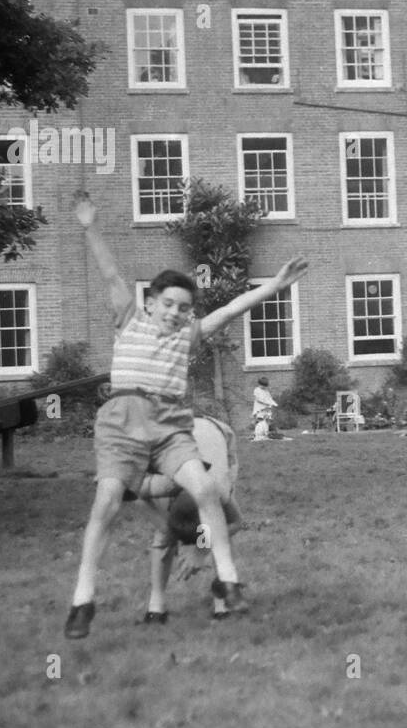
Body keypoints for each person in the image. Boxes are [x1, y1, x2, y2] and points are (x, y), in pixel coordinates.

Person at [65, 189, 308, 639]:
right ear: (152, 302)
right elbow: (110, 272)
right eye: (169, 305)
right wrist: (89, 225)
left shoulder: (188, 336)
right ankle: (83, 599)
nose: (176, 313)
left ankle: (228, 579)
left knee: (206, 489)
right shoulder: (129, 319)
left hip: (170, 424)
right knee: (106, 503)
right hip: (123, 421)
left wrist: (272, 287)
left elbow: (233, 308)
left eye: (184, 308)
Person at [135, 415, 243, 623]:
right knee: (162, 536)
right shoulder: (157, 484)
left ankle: (222, 601)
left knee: (220, 538)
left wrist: (200, 551)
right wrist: (166, 530)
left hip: (217, 433)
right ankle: (156, 607)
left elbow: (236, 522)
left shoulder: (218, 488)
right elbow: (136, 495)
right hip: (172, 442)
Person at [251, 377, 277, 441]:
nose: (264, 387)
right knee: (259, 421)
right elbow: (259, 399)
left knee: (267, 421)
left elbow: (269, 398)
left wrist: (273, 403)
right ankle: (257, 435)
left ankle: (265, 434)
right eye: (262, 385)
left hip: (266, 408)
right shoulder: (256, 390)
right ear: (259, 384)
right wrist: (266, 402)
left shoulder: (266, 391)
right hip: (259, 408)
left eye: (265, 386)